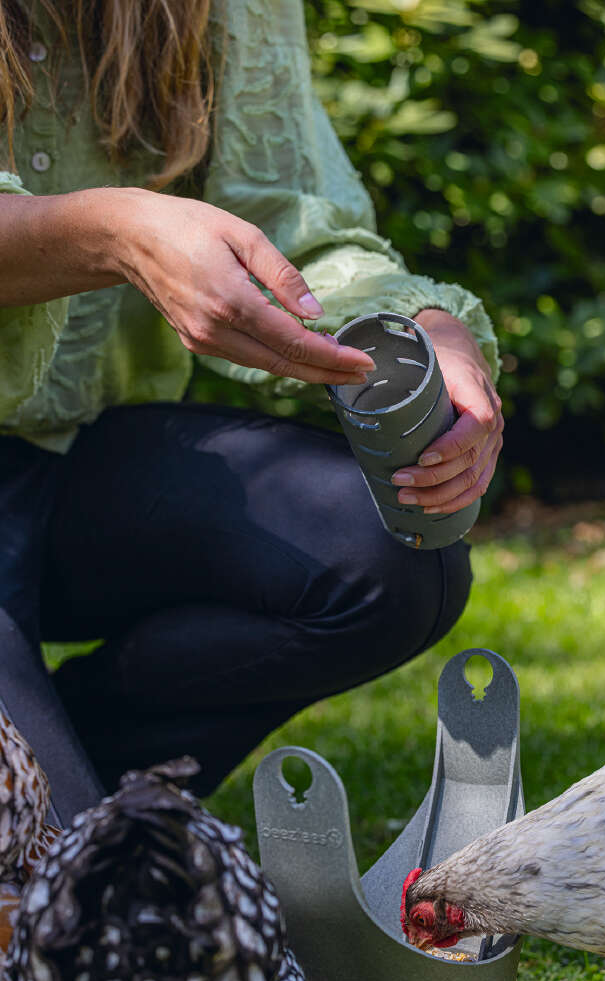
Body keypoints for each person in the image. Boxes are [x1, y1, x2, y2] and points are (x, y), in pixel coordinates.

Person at [0, 0, 503, 820]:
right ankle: (44, 798)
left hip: (76, 463)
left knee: (396, 557)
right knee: (55, 924)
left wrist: (427, 330)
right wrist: (112, 229)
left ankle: (63, 781)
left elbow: (292, 225)